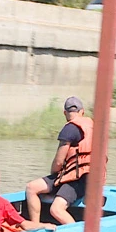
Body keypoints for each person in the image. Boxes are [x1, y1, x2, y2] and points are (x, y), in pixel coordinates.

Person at [25, 96, 96, 225]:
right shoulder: (93, 126)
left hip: (79, 179)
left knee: (56, 209)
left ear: (65, 113)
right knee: (32, 187)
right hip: (88, 177)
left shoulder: (69, 129)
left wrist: (54, 176)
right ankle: (36, 227)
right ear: (82, 111)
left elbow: (58, 162)